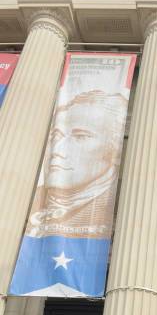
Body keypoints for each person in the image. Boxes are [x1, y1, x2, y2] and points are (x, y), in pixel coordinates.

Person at [27, 90, 128, 239]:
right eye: (57, 135)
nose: (58, 150)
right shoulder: (27, 200)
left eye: (80, 136)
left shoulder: (105, 209)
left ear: (115, 150)